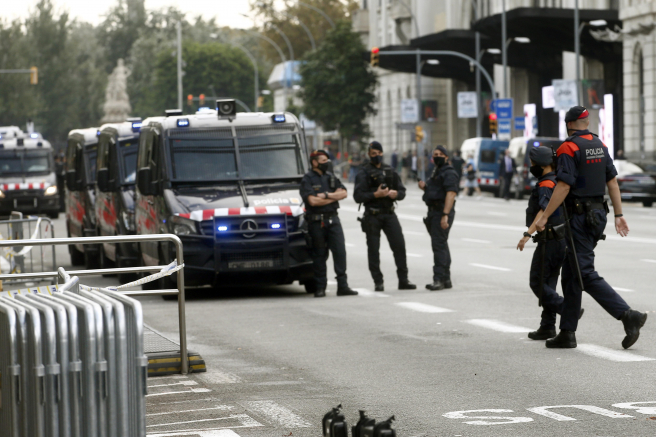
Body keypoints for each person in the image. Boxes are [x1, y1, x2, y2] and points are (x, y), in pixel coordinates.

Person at [536, 106, 647, 349]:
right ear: (586, 122)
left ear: (568, 124)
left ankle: (628, 315)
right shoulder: (601, 146)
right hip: (598, 215)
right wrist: (619, 214)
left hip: (579, 217)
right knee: (571, 272)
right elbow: (612, 182)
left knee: (583, 272)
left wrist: (544, 216)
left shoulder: (568, 148)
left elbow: (563, 186)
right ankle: (567, 332)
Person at [517, 146, 580, 340]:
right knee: (548, 284)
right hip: (561, 240)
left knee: (537, 282)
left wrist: (527, 234)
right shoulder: (557, 181)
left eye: (533, 163)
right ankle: (547, 326)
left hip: (550, 241)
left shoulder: (546, 183)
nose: (531, 166)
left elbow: (543, 211)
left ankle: (566, 309)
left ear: (542, 164)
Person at [354, 141, 416, 292]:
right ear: (369, 154)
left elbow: (402, 191)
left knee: (399, 246)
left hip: (389, 214)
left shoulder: (389, 170)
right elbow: (358, 196)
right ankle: (378, 282)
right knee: (374, 250)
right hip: (372, 215)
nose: (377, 156)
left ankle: (403, 280)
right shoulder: (363, 172)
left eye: (379, 153)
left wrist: (396, 194)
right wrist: (376, 194)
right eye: (373, 153)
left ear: (382, 153)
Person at [299, 150, 358, 298]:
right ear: (315, 162)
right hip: (316, 222)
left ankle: (342, 286)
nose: (327, 163)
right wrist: (334, 197)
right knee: (319, 255)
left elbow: (344, 193)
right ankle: (320, 287)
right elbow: (312, 201)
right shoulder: (307, 179)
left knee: (340, 252)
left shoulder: (330, 176)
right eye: (324, 161)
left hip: (333, 219)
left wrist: (326, 195)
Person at [419, 146, 458, 290]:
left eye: (441, 154)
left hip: (441, 212)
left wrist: (445, 215)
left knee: (438, 245)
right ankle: (446, 279)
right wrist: (425, 188)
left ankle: (439, 279)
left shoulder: (449, 173)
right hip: (434, 212)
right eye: (435, 154)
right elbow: (436, 191)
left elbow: (451, 194)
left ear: (446, 157)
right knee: (441, 244)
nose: (437, 156)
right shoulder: (437, 171)